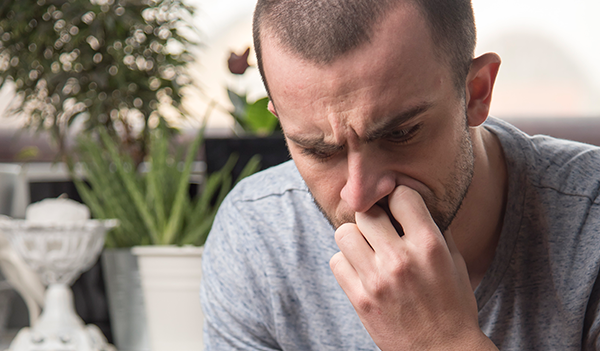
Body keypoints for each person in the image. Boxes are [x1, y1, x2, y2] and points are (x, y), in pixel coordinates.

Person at [200, 0, 600, 349]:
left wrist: (442, 342)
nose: (359, 196)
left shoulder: (591, 221)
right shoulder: (256, 236)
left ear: (477, 93)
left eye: (401, 133)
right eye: (318, 150)